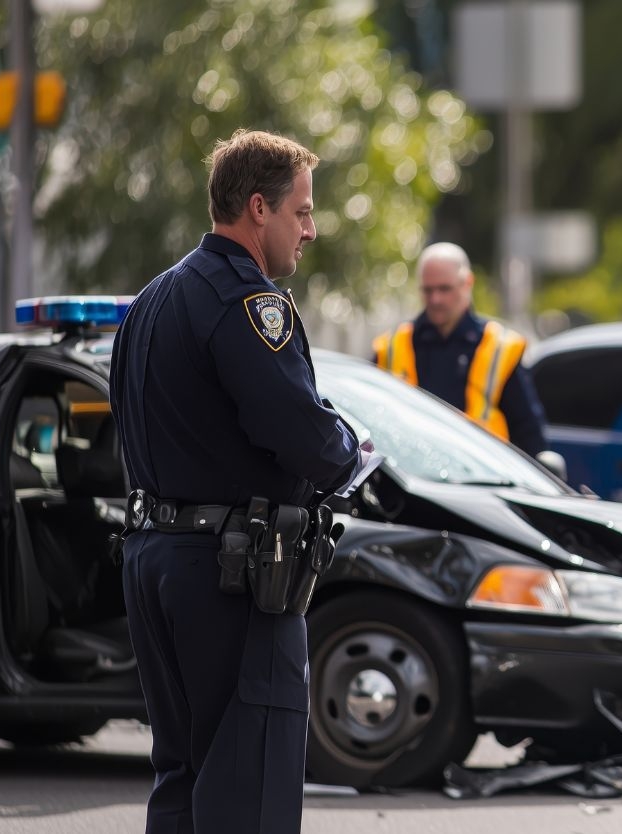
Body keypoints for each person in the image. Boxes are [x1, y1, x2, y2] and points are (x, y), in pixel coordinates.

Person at [110, 129, 364, 833]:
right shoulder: (250, 303)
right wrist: (353, 451)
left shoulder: (154, 299)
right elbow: (302, 433)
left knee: (185, 780)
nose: (309, 231)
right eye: (302, 213)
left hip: (156, 560)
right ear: (259, 208)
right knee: (248, 786)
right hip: (233, 574)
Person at [372, 242, 549, 456]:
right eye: (428, 290)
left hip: (481, 480)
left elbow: (529, 435)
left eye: (445, 289)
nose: (436, 299)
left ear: (467, 283)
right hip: (407, 480)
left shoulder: (500, 348)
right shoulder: (391, 346)